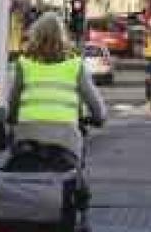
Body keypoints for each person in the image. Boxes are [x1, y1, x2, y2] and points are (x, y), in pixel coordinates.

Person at [7, 12, 106, 165]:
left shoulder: (24, 64)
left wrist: (12, 118)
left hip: (27, 137)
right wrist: (98, 118)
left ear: (35, 35)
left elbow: (13, 104)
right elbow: (97, 107)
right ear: (63, 37)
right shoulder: (75, 65)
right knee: (72, 179)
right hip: (66, 142)